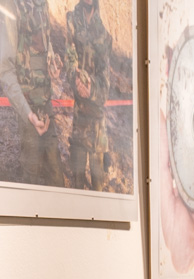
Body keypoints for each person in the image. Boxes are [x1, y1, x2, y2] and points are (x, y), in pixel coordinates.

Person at [0, 0, 65, 187]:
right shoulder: (10, 5)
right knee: (31, 179)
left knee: (56, 177)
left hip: (46, 106)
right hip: (28, 112)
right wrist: (28, 114)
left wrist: (52, 63)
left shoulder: (42, 3)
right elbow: (6, 72)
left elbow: (45, 44)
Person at [64, 0, 112, 191]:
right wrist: (75, 79)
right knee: (77, 180)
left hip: (97, 123)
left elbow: (105, 83)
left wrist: (92, 89)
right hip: (79, 119)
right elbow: (69, 59)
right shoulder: (72, 20)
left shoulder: (103, 30)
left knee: (98, 183)